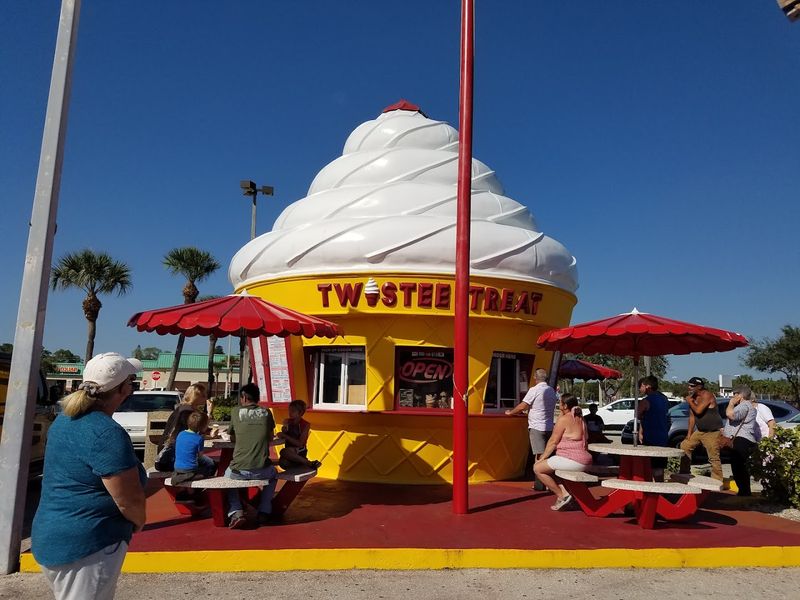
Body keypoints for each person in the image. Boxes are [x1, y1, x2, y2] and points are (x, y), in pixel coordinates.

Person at [32, 352, 147, 600]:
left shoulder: (65, 420)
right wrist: (138, 521)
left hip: (53, 536)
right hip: (89, 545)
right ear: (123, 390)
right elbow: (128, 499)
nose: (132, 386)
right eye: (132, 381)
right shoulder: (106, 433)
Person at [225, 382, 278, 529]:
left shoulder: (236, 411)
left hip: (238, 471)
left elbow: (232, 437)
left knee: (226, 477)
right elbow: (271, 437)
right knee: (274, 474)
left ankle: (236, 511)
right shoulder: (267, 412)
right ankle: (264, 510)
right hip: (262, 470)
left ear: (243, 397)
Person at [533, 394, 592, 511]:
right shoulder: (580, 418)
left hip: (572, 460)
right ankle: (566, 494)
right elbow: (587, 437)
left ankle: (562, 495)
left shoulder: (564, 420)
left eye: (560, 402)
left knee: (538, 468)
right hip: (585, 459)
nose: (558, 404)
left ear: (564, 405)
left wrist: (542, 457)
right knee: (554, 469)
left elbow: (553, 441)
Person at [505, 368, 558, 490]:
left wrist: (511, 412)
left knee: (539, 457)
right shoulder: (551, 390)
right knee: (546, 456)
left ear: (535, 378)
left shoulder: (534, 390)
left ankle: (540, 484)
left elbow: (523, 405)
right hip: (549, 426)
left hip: (536, 427)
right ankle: (548, 482)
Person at [155, 382, 214, 472]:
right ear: (196, 396)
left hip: (163, 457)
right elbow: (197, 434)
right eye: (203, 395)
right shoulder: (187, 412)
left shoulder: (182, 409)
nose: (206, 398)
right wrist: (209, 413)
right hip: (170, 459)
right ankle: (190, 484)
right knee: (210, 465)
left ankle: (188, 483)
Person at [679, 376, 723, 482]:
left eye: (692, 386)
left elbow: (698, 411)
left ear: (699, 387)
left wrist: (689, 401)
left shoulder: (707, 395)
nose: (689, 387)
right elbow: (692, 416)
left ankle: (717, 481)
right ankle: (684, 473)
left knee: (713, 457)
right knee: (685, 446)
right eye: (688, 385)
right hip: (700, 431)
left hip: (712, 432)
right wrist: (689, 434)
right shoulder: (693, 398)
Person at [724, 385, 759, 496]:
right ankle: (744, 491)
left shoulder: (743, 406)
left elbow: (730, 415)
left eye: (735, 394)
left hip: (741, 440)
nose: (733, 396)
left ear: (740, 395)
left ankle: (744, 492)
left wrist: (731, 404)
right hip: (744, 440)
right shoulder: (749, 406)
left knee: (738, 467)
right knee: (741, 467)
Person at [636, 375, 671, 481]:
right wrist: (641, 431)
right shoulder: (664, 399)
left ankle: (651, 490)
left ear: (647, 386)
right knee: (659, 466)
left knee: (650, 466)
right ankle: (659, 488)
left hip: (651, 438)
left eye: (641, 386)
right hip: (663, 436)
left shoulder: (646, 401)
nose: (640, 388)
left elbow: (638, 415)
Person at [171, 411, 218, 485]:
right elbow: (200, 456)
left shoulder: (181, 433)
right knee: (209, 467)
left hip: (177, 467)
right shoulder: (199, 438)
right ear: (202, 427)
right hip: (190, 469)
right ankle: (192, 478)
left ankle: (182, 476)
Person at [276, 399, 322, 470]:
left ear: (300, 413)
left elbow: (300, 444)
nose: (290, 413)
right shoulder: (288, 422)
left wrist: (285, 436)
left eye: (293, 411)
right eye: (289, 410)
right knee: (283, 463)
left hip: (300, 451)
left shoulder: (305, 425)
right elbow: (284, 433)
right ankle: (303, 464)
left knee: (283, 452)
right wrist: (283, 431)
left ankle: (307, 462)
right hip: (290, 450)